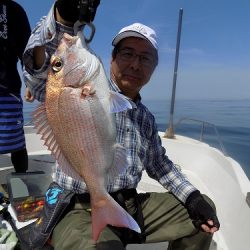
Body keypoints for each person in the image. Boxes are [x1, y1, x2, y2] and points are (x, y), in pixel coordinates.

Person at [23, 1, 220, 250]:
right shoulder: (75, 91)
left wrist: (191, 198)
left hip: (130, 205)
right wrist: (62, 17)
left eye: (145, 58)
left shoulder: (145, 117)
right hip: (78, 207)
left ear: (153, 68)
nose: (135, 64)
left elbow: (160, 166)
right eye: (127, 54)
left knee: (204, 210)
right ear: (112, 59)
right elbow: (35, 70)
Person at [0, 0, 31, 173]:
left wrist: (30, 83)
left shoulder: (14, 10)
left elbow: (26, 51)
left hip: (8, 89)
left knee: (16, 142)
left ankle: (24, 185)